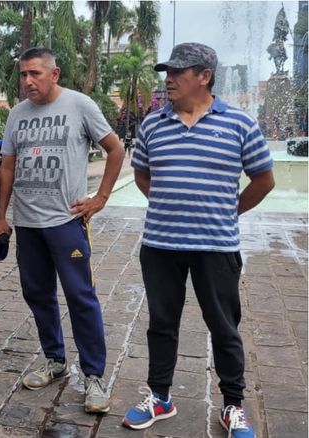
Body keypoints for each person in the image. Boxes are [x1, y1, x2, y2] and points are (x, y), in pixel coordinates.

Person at [122, 43, 274, 438]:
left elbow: (264, 180)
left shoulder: (240, 123)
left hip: (216, 247)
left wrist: (229, 211)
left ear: (204, 76)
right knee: (162, 323)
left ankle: (233, 406)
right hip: (160, 245)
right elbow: (141, 175)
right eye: (167, 72)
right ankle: (159, 397)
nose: (168, 79)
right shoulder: (152, 125)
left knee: (224, 326)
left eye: (178, 72)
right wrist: (168, 203)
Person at [0, 47, 125, 414]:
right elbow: (7, 169)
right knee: (37, 293)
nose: (28, 81)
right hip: (28, 223)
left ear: (55, 73)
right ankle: (54, 360)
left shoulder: (80, 106)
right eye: (23, 75)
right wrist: (1, 218)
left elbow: (116, 149)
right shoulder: (17, 115)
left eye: (35, 73)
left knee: (81, 297)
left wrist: (100, 198)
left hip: (66, 222)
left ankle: (94, 376)